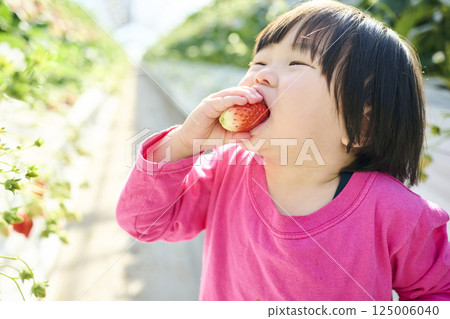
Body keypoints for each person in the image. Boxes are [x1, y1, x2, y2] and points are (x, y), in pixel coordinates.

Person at [116, 0, 450, 300]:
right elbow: (143, 223)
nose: (261, 76)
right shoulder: (225, 170)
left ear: (360, 127)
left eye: (296, 64)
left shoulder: (397, 215)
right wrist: (183, 144)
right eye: (259, 61)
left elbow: (437, 293)